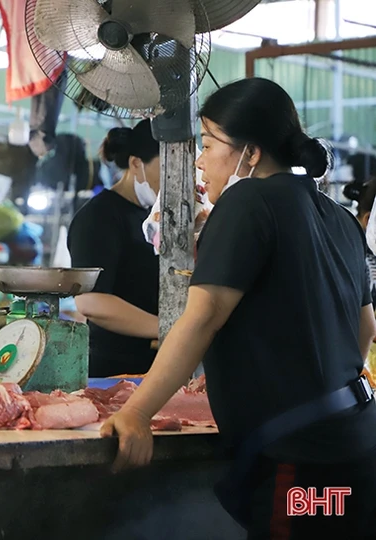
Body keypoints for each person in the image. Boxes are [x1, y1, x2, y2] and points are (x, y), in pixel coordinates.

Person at [102, 78, 376, 539]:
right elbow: (364, 328)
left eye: (209, 144)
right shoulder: (339, 216)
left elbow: (202, 318)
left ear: (250, 153)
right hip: (359, 446)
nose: (200, 160)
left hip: (302, 459)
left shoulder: (246, 201)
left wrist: (137, 412)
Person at [68, 119, 160, 377]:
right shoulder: (98, 217)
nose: (173, 179)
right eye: (167, 168)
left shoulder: (153, 216)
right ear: (135, 164)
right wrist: (169, 329)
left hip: (157, 365)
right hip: (113, 372)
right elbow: (91, 301)